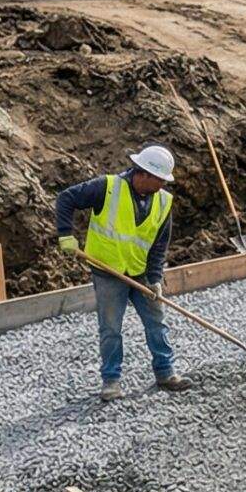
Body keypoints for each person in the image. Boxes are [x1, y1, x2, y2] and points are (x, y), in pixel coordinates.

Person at [55, 145, 190, 402]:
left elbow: (159, 245)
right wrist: (65, 235)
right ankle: (111, 381)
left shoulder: (163, 201)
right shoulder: (106, 187)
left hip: (140, 272)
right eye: (160, 179)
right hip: (107, 271)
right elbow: (66, 198)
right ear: (144, 174)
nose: (163, 184)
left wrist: (155, 279)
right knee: (110, 329)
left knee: (156, 322)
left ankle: (165, 372)